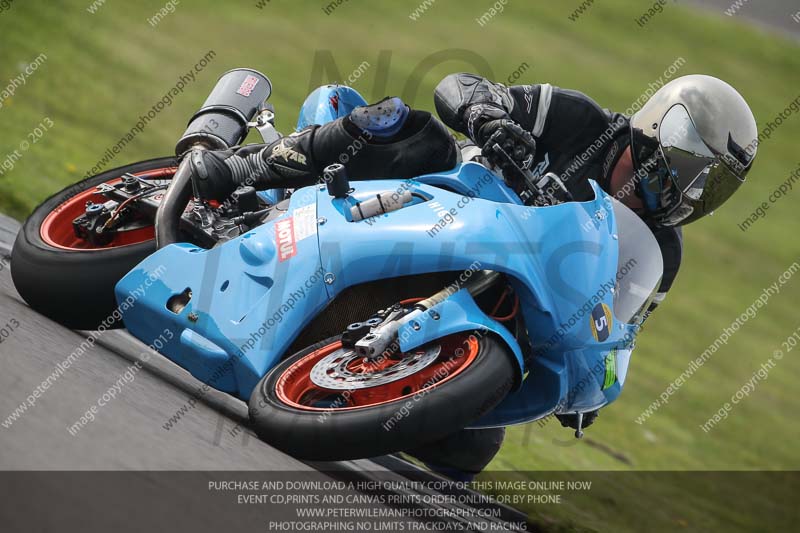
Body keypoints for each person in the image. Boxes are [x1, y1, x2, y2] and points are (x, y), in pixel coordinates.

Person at [189, 74, 758, 477]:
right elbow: (459, 86)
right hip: (434, 197)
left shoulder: (663, 248)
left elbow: (621, 327)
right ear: (661, 128)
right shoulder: (583, 122)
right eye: (691, 168)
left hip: (501, 291)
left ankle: (350, 368)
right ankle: (248, 166)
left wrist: (592, 380)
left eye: (712, 184)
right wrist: (488, 116)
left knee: (473, 447)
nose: (691, 191)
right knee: (410, 126)